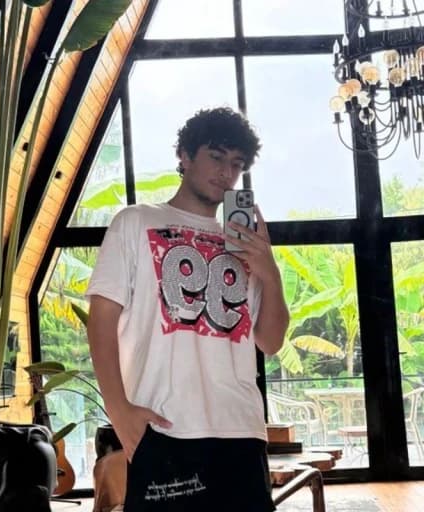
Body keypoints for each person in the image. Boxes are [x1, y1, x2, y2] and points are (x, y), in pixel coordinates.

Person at [86, 106, 289, 511]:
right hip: (164, 427)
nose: (226, 173)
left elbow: (271, 341)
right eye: (216, 157)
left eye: (237, 164)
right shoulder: (135, 222)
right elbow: (101, 321)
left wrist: (270, 272)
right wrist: (118, 410)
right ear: (184, 155)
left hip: (241, 429)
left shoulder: (244, 244)